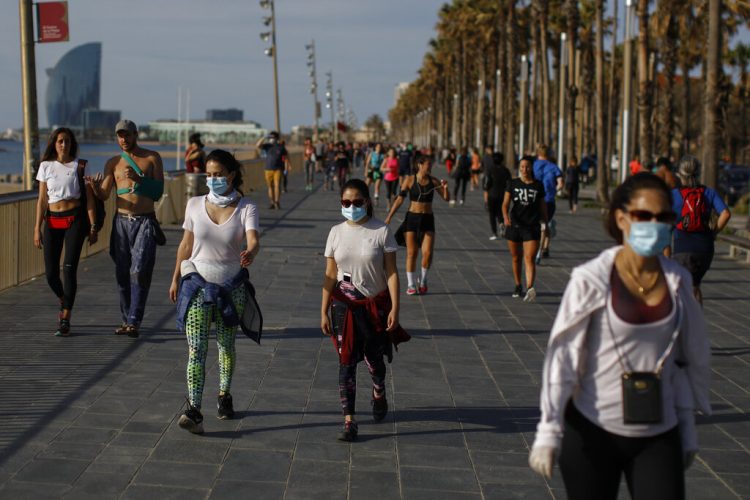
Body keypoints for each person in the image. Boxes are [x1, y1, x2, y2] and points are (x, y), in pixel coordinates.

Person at [529, 173, 711, 500]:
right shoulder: (591, 279)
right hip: (592, 431)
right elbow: (564, 358)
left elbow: (683, 362)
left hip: (659, 432)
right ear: (622, 218)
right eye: (644, 216)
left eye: (663, 217)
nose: (653, 225)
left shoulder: (679, 282)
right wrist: (549, 430)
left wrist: (687, 428)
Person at [168, 149, 260, 434]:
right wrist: (174, 279)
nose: (213, 179)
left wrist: (251, 253)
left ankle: (224, 395)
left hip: (231, 287)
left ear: (231, 175)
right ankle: (194, 409)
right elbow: (185, 245)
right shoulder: (194, 204)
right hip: (197, 286)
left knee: (226, 346)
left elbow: (254, 239)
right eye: (209, 174)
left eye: (218, 174)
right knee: (196, 348)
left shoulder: (247, 207)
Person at [321, 178, 408, 442]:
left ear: (367, 202)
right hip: (343, 305)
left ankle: (378, 390)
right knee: (345, 361)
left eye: (357, 202)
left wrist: (395, 307)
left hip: (374, 305)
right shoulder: (335, 232)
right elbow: (329, 274)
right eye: (346, 202)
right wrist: (323, 309)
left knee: (374, 361)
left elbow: (391, 272)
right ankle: (350, 420)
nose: (351, 206)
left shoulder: (381, 231)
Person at [89, 120, 164, 338]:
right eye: (120, 136)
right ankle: (126, 319)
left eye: (127, 135)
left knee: (139, 272)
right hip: (121, 222)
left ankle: (134, 321)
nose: (124, 140)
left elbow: (158, 192)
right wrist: (94, 188)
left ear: (135, 135)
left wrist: (139, 179)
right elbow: (104, 194)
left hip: (145, 221)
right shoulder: (113, 163)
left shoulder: (152, 158)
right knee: (122, 273)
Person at [34, 127, 98, 337]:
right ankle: (64, 298)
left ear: (72, 144)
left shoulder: (81, 165)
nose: (64, 145)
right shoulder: (46, 166)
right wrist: (36, 228)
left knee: (69, 268)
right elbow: (42, 199)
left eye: (67, 141)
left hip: (75, 221)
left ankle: (65, 317)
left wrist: (93, 225)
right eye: (60, 141)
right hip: (52, 221)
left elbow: (88, 199)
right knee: (51, 273)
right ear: (54, 143)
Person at [385, 154, 450, 295]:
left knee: (427, 253)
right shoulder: (409, 180)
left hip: (427, 219)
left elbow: (446, 198)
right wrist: (389, 216)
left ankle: (424, 280)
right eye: (428, 164)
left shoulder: (433, 181)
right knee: (412, 253)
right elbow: (400, 200)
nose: (430, 167)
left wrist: (445, 188)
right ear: (420, 165)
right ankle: (411, 284)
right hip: (412, 219)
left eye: (431, 165)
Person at [671, 156, 731, 305]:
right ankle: (697, 320)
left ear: (680, 174)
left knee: (685, 289)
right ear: (698, 173)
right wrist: (714, 232)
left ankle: (689, 323)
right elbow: (726, 213)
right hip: (705, 248)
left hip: (683, 248)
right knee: (695, 285)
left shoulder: (674, 195)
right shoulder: (708, 193)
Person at [503, 156, 548, 301]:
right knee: (516, 257)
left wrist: (545, 223)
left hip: (531, 226)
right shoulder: (512, 183)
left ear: (532, 167)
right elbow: (505, 203)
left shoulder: (538, 186)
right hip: (514, 225)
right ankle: (518, 284)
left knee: (529, 258)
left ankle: (530, 287)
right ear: (519, 168)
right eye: (522, 167)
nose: (525, 169)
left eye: (527, 167)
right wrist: (505, 217)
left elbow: (543, 207)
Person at [533, 144, 563, 259]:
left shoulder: (533, 165)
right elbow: (560, 183)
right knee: (544, 224)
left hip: (534, 199)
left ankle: (539, 249)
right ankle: (544, 248)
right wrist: (554, 191)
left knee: (537, 224)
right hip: (549, 200)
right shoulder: (554, 167)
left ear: (538, 153)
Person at [255, 131, 287, 209]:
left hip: (278, 169)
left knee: (277, 185)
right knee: (270, 186)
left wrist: (286, 167)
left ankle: (277, 202)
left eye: (273, 137)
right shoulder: (267, 146)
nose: (271, 139)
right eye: (271, 137)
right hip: (268, 168)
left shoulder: (281, 147)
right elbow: (257, 145)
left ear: (277, 138)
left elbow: (285, 158)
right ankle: (272, 202)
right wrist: (265, 137)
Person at [484, 152, 511, 240]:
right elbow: (509, 183)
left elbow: (486, 184)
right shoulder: (506, 170)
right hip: (503, 195)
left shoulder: (490, 170)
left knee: (492, 214)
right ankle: (501, 224)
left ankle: (494, 232)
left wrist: (485, 197)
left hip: (492, 195)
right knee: (500, 212)